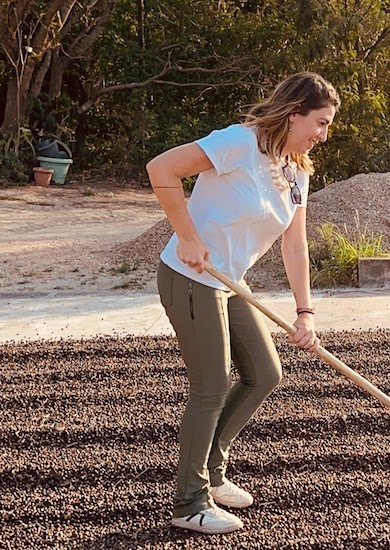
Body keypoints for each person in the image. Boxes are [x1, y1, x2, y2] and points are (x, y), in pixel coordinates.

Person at [146, 71, 340, 535]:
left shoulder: (295, 170)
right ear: (294, 115)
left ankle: (211, 471)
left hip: (229, 282)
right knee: (212, 385)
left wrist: (305, 312)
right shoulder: (238, 143)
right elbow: (161, 168)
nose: (323, 134)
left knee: (265, 373)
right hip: (190, 277)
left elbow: (294, 245)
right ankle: (189, 502)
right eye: (320, 122)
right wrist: (187, 236)